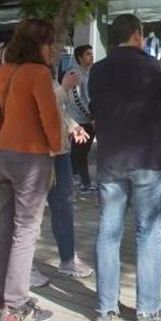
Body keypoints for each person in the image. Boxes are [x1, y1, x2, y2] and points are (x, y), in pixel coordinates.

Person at [89, 14, 161, 321]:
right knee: (149, 233)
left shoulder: (97, 70)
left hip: (111, 160)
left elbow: (92, 107)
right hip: (149, 160)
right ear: (138, 36)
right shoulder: (153, 67)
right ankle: (147, 308)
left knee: (108, 233)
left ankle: (105, 306)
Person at [0, 18, 62, 321]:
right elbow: (50, 116)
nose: (52, 48)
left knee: (6, 229)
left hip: (3, 154)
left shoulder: (2, 72)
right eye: (50, 43)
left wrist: (8, 133)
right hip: (30, 158)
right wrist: (53, 148)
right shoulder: (38, 73)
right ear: (41, 43)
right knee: (26, 230)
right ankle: (15, 306)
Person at [42, 68, 94, 281]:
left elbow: (56, 111)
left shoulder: (46, 74)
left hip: (59, 150)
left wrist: (71, 126)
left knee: (63, 205)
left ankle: (68, 258)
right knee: (28, 215)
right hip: (39, 153)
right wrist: (64, 87)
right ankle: (20, 269)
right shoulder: (25, 74)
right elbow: (42, 108)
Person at [63, 45, 95, 192]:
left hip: (86, 119)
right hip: (78, 121)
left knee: (82, 154)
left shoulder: (88, 73)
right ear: (80, 57)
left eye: (92, 53)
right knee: (76, 154)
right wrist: (91, 114)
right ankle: (66, 184)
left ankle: (85, 183)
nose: (91, 56)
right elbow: (76, 99)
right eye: (88, 54)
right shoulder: (74, 73)